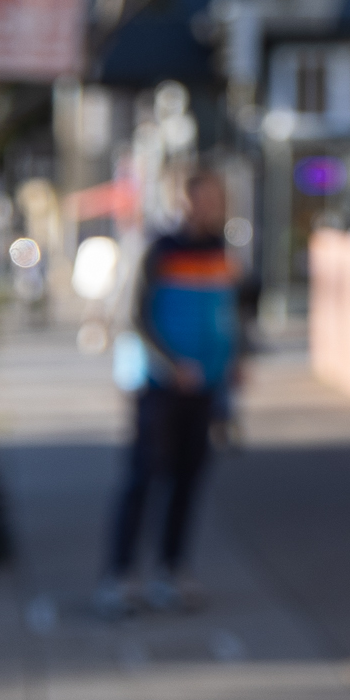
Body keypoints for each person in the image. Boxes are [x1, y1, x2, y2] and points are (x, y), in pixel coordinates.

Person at [96, 166, 240, 618]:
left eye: (215, 199)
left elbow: (227, 313)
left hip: (207, 386)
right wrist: (171, 365)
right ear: (184, 201)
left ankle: (171, 570)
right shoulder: (159, 248)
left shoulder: (221, 251)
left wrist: (232, 364)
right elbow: (134, 316)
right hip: (160, 386)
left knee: (189, 480)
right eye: (201, 198)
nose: (208, 207)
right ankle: (120, 575)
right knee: (143, 477)